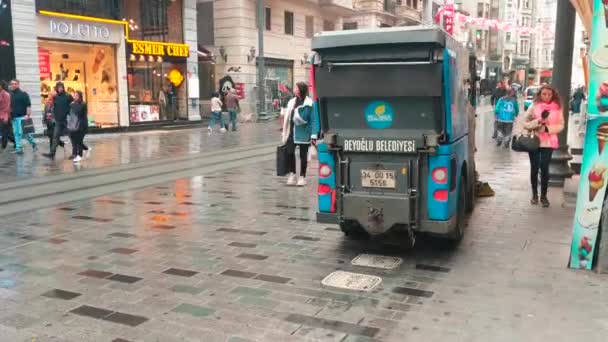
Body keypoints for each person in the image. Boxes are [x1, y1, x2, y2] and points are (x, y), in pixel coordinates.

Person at [516, 85, 564, 208]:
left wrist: (547, 128)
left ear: (553, 95)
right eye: (544, 94)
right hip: (535, 141)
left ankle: (544, 196)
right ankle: (534, 195)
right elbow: (524, 122)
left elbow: (561, 125)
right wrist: (537, 122)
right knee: (534, 168)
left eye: (549, 94)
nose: (546, 96)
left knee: (545, 169)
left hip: (549, 142)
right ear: (540, 94)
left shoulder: (558, 108)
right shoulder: (534, 106)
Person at [281, 82, 318, 187]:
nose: (294, 89)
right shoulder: (291, 102)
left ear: (300, 89)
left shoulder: (309, 103)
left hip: (304, 133)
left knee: (303, 156)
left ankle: (302, 176)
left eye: (296, 87)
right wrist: (284, 132)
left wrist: (313, 135)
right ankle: (292, 174)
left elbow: (313, 120)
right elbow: (287, 118)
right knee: (289, 153)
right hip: (291, 132)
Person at [43, 82, 72, 159]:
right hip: (58, 121)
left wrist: (71, 114)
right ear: (56, 88)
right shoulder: (55, 97)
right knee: (55, 137)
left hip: (67, 120)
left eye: (61, 87)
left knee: (72, 136)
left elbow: (73, 105)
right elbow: (50, 106)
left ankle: (78, 151)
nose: (60, 89)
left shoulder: (68, 96)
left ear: (63, 87)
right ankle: (52, 153)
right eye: (58, 87)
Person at [9, 79, 36, 154]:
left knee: (23, 133)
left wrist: (28, 115)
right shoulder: (10, 95)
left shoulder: (24, 94)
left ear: (18, 84)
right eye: (12, 84)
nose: (13, 85)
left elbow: (28, 105)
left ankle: (33, 143)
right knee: (16, 133)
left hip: (22, 117)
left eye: (15, 84)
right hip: (14, 117)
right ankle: (19, 148)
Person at [68, 91, 88, 163]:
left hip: (82, 126)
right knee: (74, 140)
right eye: (74, 95)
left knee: (79, 141)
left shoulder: (83, 104)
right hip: (74, 125)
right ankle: (74, 154)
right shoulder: (73, 104)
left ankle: (79, 156)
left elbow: (78, 112)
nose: (75, 97)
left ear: (80, 96)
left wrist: (72, 105)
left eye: (76, 95)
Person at [0, 81, 11, 150]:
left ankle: (3, 146)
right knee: (6, 131)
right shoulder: (5, 93)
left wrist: (6, 116)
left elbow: (7, 107)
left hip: (3, 116)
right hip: (4, 115)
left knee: (5, 131)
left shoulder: (4, 94)